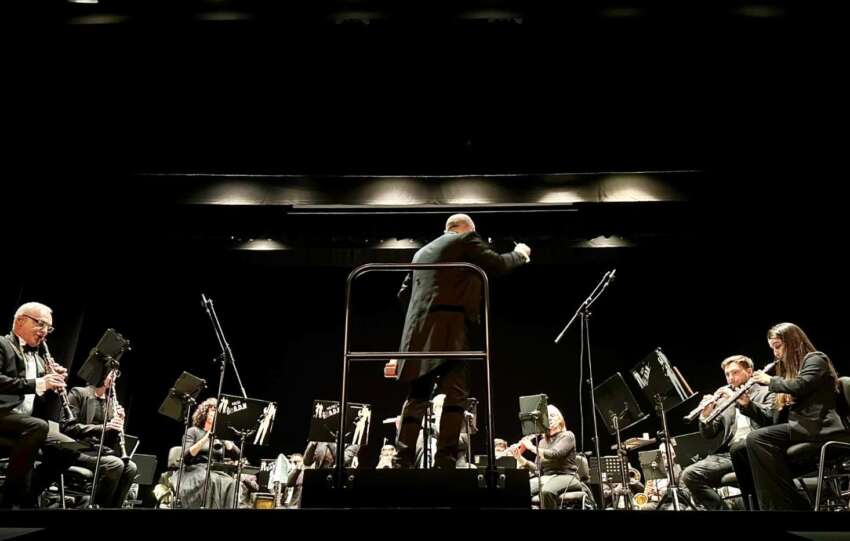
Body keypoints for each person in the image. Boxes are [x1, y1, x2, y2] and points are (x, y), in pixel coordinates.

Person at [386, 213, 530, 468]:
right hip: (451, 334)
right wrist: (520, 253)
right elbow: (496, 263)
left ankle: (401, 461)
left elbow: (402, 294)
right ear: (466, 229)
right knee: (455, 395)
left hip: (418, 338)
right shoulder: (465, 239)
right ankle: (446, 460)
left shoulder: (421, 253)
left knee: (417, 397)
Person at [746, 322, 848, 510]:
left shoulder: (816, 359)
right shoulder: (788, 373)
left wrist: (770, 381)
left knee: (756, 438)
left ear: (792, 342)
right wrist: (747, 406)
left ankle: (788, 507)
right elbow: (774, 418)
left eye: (778, 346)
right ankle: (759, 506)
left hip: (820, 427)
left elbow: (801, 385)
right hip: (800, 428)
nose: (776, 353)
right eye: (772, 349)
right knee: (740, 448)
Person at [680, 355, 774, 510]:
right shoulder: (724, 401)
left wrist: (739, 400)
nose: (730, 378)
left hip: (757, 449)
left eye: (735, 372)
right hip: (729, 455)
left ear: (749, 372)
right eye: (727, 374)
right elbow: (708, 434)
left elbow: (770, 419)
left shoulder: (767, 391)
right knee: (689, 475)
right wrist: (705, 415)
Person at [0, 302, 67, 508]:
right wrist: (39, 382)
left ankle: (27, 496)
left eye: (49, 328)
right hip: (2, 415)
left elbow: (43, 404)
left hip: (26, 424)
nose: (45, 332)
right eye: (40, 324)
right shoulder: (2, 344)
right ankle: (8, 503)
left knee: (69, 448)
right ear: (20, 320)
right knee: (37, 426)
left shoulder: (39, 360)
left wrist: (54, 389)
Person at [63, 368, 138, 508]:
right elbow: (68, 427)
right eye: (112, 373)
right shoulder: (78, 393)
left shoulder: (110, 404)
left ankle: (112, 508)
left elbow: (109, 441)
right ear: (101, 373)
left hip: (99, 451)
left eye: (116, 374)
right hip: (78, 448)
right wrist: (104, 427)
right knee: (115, 464)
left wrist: (117, 427)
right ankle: (97, 507)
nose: (114, 378)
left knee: (131, 468)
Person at [176, 397, 255, 508]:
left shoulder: (221, 435)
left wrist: (226, 440)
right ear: (204, 413)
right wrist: (207, 436)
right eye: (213, 410)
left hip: (215, 471)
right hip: (194, 471)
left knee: (232, 483)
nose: (216, 414)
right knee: (209, 480)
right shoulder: (193, 431)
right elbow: (186, 458)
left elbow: (238, 455)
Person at [512, 404, 588, 509]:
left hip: (567, 476)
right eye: (547, 417)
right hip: (546, 477)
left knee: (546, 491)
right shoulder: (542, 442)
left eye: (553, 415)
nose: (550, 419)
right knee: (518, 489)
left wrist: (532, 448)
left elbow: (554, 454)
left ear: (560, 418)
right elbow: (538, 470)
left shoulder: (568, 436)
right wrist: (520, 459)